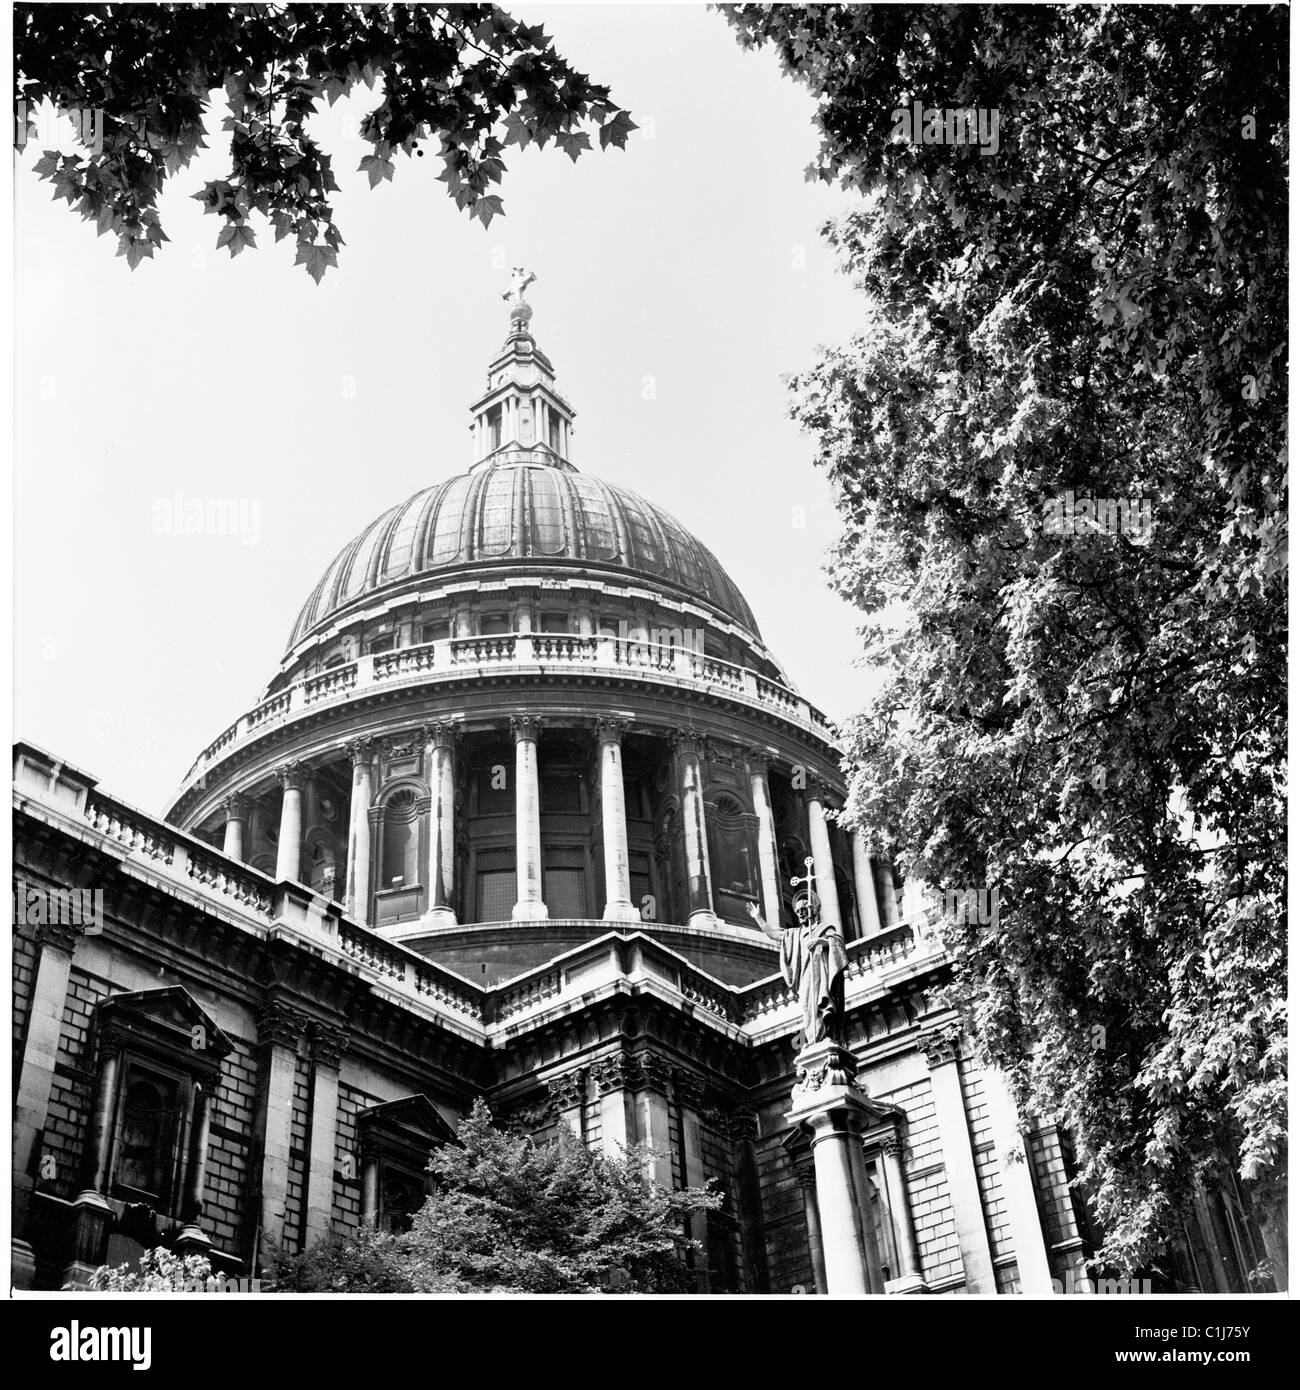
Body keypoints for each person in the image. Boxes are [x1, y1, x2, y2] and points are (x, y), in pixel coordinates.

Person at [747, 892, 847, 1048]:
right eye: (798, 911)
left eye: (804, 910)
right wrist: (758, 917)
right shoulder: (795, 934)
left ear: (812, 910)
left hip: (820, 973)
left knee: (822, 1002)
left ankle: (824, 1035)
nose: (800, 913)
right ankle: (813, 1038)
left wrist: (821, 941)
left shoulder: (824, 928)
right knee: (808, 1006)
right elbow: (773, 934)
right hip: (805, 976)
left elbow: (837, 943)